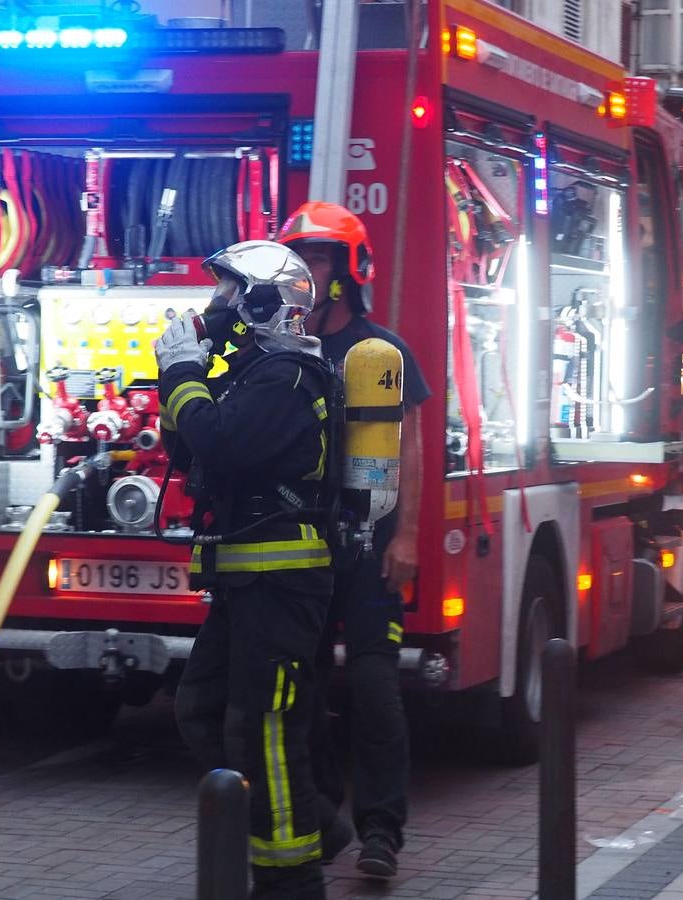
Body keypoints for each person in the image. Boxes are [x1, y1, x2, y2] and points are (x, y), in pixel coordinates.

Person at [157, 240, 336, 899]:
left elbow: (222, 442)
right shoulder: (252, 374)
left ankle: (292, 876)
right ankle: (317, 822)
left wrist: (181, 374)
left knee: (266, 729)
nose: (218, 305)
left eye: (231, 292)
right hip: (244, 578)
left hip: (280, 583)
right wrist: (189, 372)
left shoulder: (287, 378)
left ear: (265, 302)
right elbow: (193, 445)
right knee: (201, 709)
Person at [279, 202, 431, 880]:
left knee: (373, 687)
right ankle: (324, 820)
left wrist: (410, 536)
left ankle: (381, 834)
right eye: (302, 257)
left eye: (322, 257)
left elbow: (414, 447)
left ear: (347, 269)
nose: (311, 270)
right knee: (303, 691)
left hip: (371, 546)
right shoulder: (279, 350)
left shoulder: (381, 351)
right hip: (300, 548)